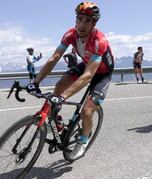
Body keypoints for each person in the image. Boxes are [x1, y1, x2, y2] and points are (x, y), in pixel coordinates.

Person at [25, 2, 114, 159]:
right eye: (80, 19)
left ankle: (83, 142)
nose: (82, 24)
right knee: (59, 86)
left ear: (94, 24)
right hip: (86, 64)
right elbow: (54, 58)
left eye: (87, 21)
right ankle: (57, 121)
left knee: (87, 111)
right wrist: (36, 82)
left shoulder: (99, 41)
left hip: (102, 73)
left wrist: (63, 97)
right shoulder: (70, 34)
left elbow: (88, 76)